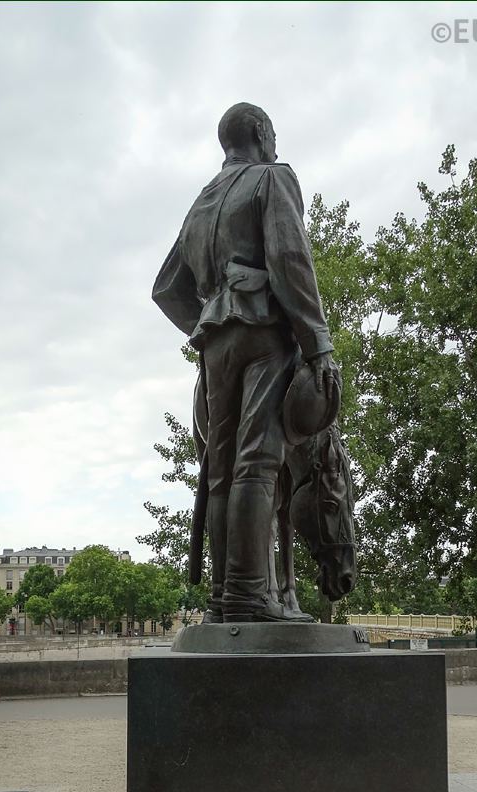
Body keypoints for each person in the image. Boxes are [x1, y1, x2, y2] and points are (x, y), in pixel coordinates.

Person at [153, 102, 339, 622]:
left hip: (217, 347)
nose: (276, 141)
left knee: (220, 473)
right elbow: (290, 259)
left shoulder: (200, 204)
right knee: (257, 464)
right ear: (261, 133)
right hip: (263, 336)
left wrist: (212, 317)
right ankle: (250, 593)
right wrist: (317, 340)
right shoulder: (272, 179)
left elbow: (167, 290)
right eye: (273, 132)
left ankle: (224, 597)